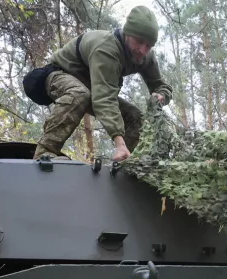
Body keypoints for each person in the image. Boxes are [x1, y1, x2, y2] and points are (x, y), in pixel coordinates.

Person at [25, 5, 172, 162]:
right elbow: (104, 99)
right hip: (58, 75)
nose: (143, 50)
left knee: (135, 116)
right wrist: (119, 143)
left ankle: (127, 163)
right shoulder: (106, 49)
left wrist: (161, 96)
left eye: (148, 45)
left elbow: (161, 86)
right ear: (127, 33)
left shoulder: (146, 56)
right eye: (139, 41)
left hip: (91, 87)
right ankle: (44, 152)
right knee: (79, 94)